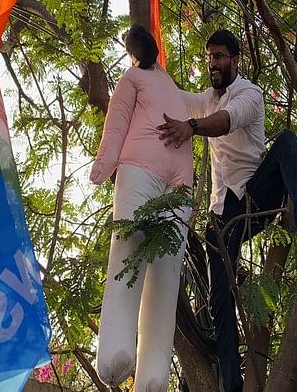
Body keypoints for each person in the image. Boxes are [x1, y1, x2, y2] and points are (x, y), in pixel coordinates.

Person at [157, 29, 297, 392]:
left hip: (255, 196)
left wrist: (191, 127)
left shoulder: (249, 94)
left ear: (235, 60)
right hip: (223, 216)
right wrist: (145, 76)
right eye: (209, 57)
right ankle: (231, 385)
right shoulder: (205, 99)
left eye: (219, 57)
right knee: (220, 301)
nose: (213, 64)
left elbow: (225, 122)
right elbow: (173, 99)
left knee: (286, 142)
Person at [90, 24, 192, 391]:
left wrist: (103, 168)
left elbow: (116, 126)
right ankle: (135, 361)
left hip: (161, 177)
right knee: (147, 259)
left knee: (148, 259)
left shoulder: (150, 82)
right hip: (160, 175)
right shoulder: (149, 82)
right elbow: (116, 125)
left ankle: (136, 364)